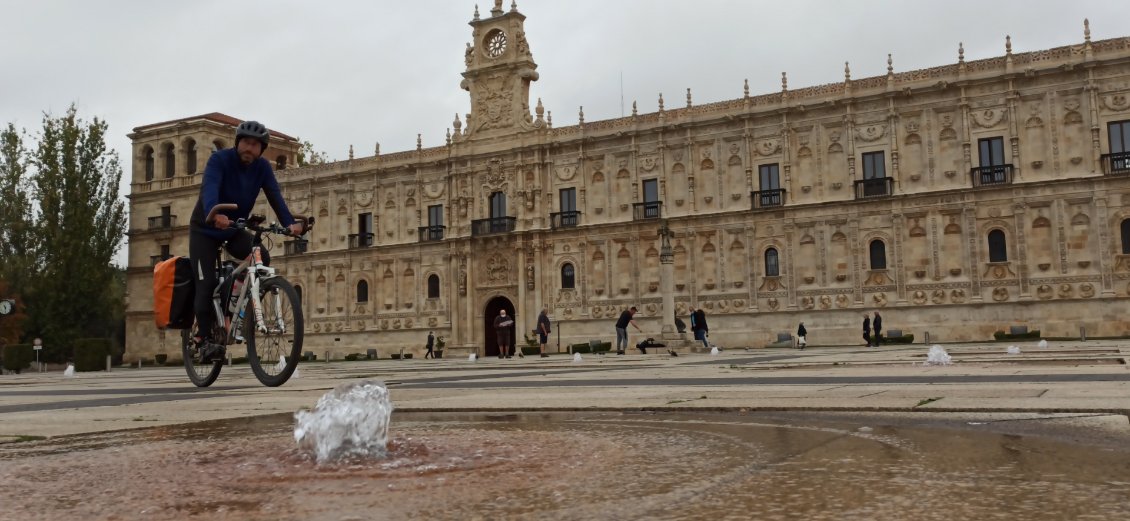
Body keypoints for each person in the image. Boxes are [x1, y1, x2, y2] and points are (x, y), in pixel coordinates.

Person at [188, 121, 307, 361]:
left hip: (233, 229)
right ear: (237, 142)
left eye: (255, 145)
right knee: (206, 283)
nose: (249, 149)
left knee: (262, 256)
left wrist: (289, 223)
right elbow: (209, 189)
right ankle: (203, 339)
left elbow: (275, 196)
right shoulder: (219, 160)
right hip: (206, 229)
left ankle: (241, 308)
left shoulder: (262, 168)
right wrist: (214, 212)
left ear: (261, 149)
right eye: (245, 143)